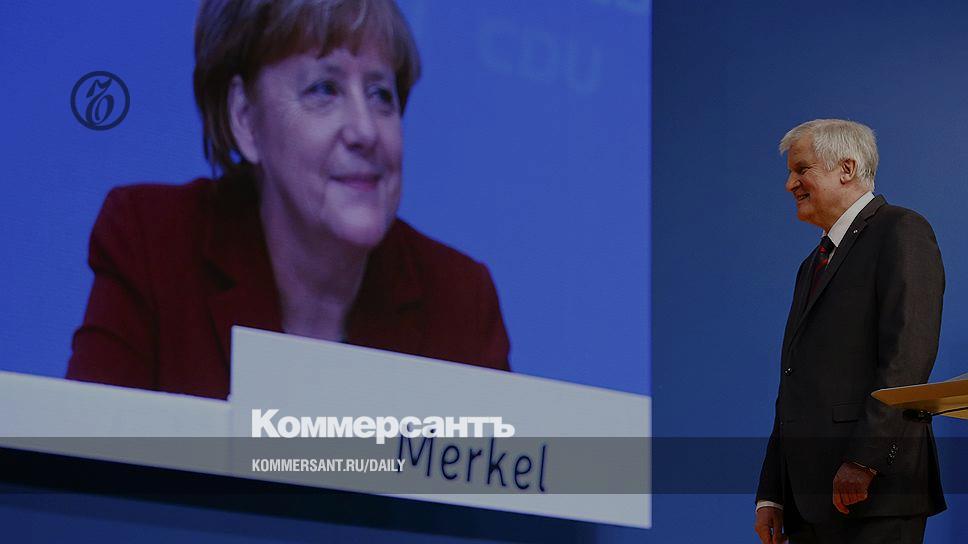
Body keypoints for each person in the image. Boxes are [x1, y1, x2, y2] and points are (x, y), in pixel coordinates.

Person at [67, 0, 510, 400]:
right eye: (325, 89)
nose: (365, 131)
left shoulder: (461, 301)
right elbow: (82, 456)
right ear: (245, 119)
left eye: (381, 95)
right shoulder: (153, 245)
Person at [754, 119, 945, 543]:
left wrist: (865, 460)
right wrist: (773, 492)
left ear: (846, 168)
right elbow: (794, 382)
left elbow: (908, 357)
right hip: (807, 497)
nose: (790, 184)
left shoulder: (901, 230)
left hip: (874, 491)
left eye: (801, 169)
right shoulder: (812, 264)